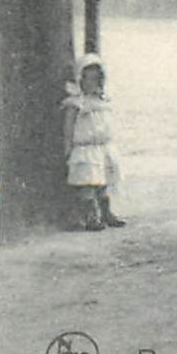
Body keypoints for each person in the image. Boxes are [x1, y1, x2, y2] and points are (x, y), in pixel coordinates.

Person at [62, 54, 123, 232]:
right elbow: (69, 127)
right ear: (80, 80)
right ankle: (90, 216)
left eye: (97, 79)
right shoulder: (76, 103)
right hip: (84, 148)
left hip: (101, 147)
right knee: (87, 184)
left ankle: (106, 212)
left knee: (102, 182)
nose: (93, 83)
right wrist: (68, 148)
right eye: (88, 79)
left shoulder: (102, 101)